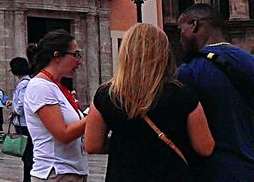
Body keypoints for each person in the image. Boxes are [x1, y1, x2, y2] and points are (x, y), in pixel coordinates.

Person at [85, 23, 214, 181]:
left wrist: (125, 143)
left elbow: (92, 145)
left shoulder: (106, 95)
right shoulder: (182, 94)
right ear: (164, 54)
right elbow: (205, 148)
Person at [175, 3, 254, 180]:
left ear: (194, 24)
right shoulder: (250, 61)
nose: (180, 37)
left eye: (181, 30)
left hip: (213, 170)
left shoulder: (189, 71)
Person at [24, 30, 88, 181]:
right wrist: (96, 114)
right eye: (76, 55)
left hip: (71, 171)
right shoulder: (40, 87)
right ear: (57, 56)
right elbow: (63, 134)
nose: (80, 61)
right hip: (55, 173)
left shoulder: (56, 86)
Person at [8, 55, 36, 181]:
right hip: (24, 123)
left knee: (27, 154)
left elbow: (22, 102)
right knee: (27, 154)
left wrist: (15, 112)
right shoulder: (26, 82)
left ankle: (28, 179)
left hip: (23, 124)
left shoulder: (24, 84)